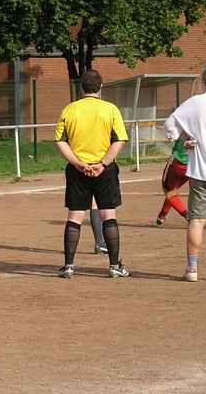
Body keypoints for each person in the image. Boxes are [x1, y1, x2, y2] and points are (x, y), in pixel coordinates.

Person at [53, 69, 130, 278]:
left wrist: (77, 163)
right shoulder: (110, 109)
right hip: (104, 171)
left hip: (78, 171)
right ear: (101, 87)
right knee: (108, 215)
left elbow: (60, 140)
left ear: (81, 88)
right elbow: (120, 139)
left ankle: (68, 266)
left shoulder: (70, 109)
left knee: (75, 216)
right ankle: (114, 267)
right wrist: (103, 164)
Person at [164, 65, 206, 282]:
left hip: (200, 171)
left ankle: (192, 269)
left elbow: (170, 125)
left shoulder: (195, 102)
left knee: (197, 221)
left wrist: (184, 138)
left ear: (204, 81)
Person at [155, 136, 189, 226]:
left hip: (178, 161)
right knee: (173, 190)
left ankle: (188, 216)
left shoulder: (182, 122)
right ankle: (162, 215)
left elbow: (171, 134)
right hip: (194, 164)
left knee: (168, 190)